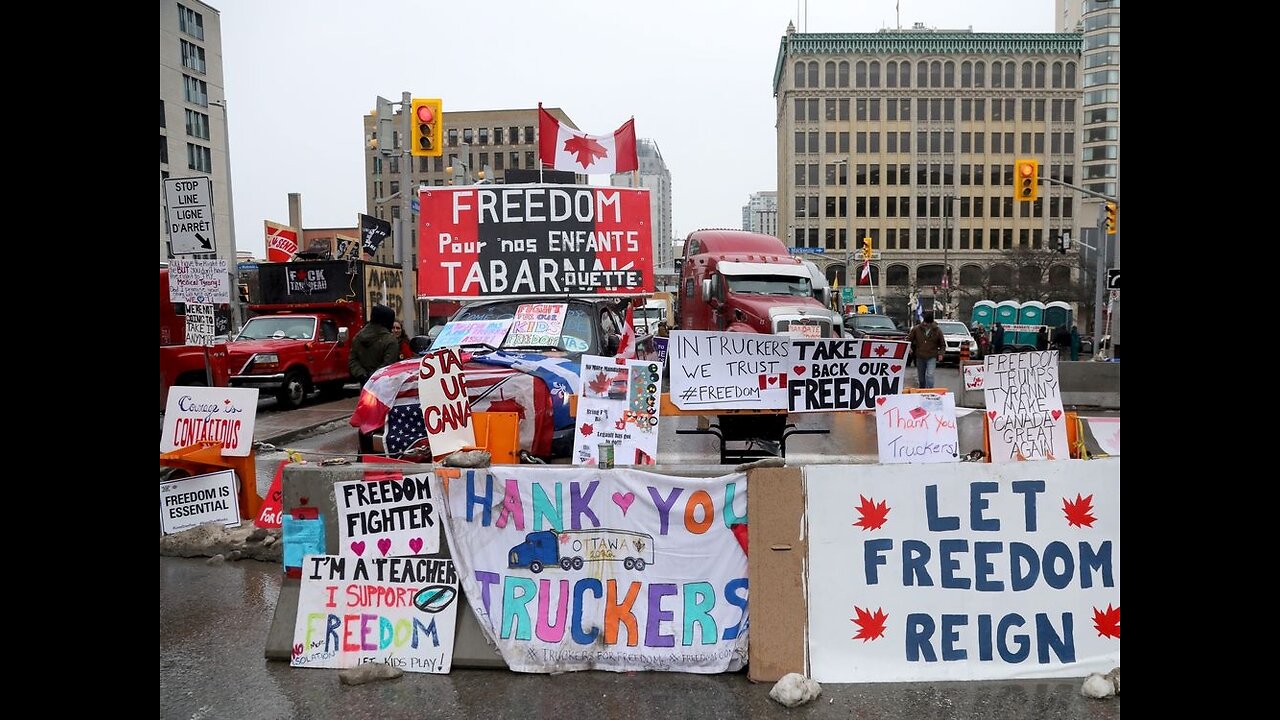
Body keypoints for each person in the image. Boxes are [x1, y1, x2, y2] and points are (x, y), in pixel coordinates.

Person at [349, 305, 401, 453]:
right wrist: (375, 377)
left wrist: (363, 376)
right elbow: (389, 366)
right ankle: (381, 452)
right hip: (384, 389)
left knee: (366, 418)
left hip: (365, 386)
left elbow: (352, 361)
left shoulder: (358, 337)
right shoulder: (390, 340)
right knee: (384, 420)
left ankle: (363, 451)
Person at [907, 310, 946, 389]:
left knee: (930, 375)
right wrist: (909, 348)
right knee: (921, 378)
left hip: (931, 356)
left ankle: (930, 391)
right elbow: (908, 340)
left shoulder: (937, 331)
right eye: (925, 322)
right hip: (920, 356)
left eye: (928, 323)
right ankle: (922, 390)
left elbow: (942, 344)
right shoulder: (916, 329)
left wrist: (941, 353)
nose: (925, 324)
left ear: (931, 323)